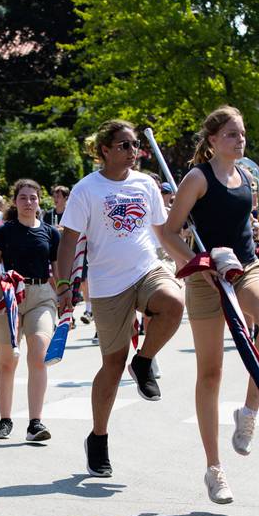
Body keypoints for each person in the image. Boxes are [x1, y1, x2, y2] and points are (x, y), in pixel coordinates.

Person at [159, 106, 259, 504]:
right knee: (210, 372)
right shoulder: (198, 178)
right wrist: (199, 264)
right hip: (204, 277)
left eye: (242, 133)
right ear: (212, 139)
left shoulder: (247, 176)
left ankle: (248, 413)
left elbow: (240, 225)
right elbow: (168, 233)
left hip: (245, 267)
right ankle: (214, 468)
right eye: (232, 134)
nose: (240, 139)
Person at [58, 119, 184, 478]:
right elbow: (68, 241)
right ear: (104, 151)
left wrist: (190, 262)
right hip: (108, 285)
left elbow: (163, 232)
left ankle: (144, 362)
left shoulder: (146, 184)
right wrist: (64, 284)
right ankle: (98, 438)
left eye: (134, 145)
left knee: (173, 304)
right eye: (124, 146)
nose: (133, 152)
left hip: (147, 269)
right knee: (112, 367)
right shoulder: (86, 190)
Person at [0, 179, 60, 442]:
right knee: (8, 361)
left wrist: (66, 297)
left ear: (39, 202)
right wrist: (4, 277)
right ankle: (5, 419)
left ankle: (35, 423)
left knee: (39, 353)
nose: (29, 202)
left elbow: (57, 271)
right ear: (15, 202)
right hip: (8, 297)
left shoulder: (51, 233)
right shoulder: (3, 232)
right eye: (23, 198)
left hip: (41, 296)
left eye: (33, 198)